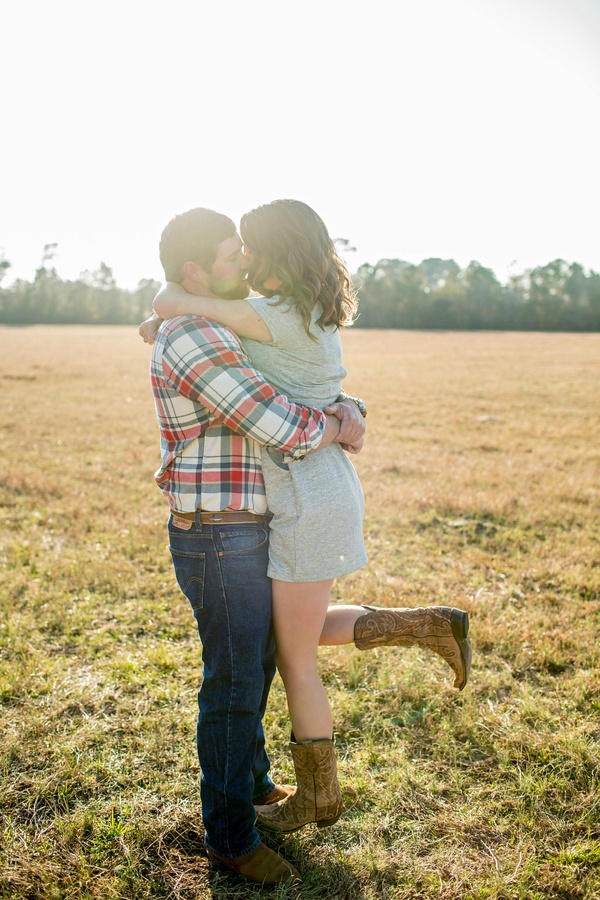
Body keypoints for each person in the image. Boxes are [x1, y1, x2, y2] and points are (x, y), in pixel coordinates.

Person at [145, 200, 472, 842]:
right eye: (232, 253)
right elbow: (291, 378)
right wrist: (346, 413)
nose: (243, 259)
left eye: (249, 249)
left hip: (298, 489)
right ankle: (428, 626)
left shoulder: (256, 316)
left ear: (273, 255)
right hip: (318, 488)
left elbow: (179, 314)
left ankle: (312, 798)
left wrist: (169, 305)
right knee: (280, 634)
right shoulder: (311, 314)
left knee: (290, 657)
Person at [147, 206, 367, 886]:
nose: (243, 261)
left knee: (259, 663)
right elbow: (278, 422)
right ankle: (232, 839)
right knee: (237, 684)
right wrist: (337, 423)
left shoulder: (222, 324)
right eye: (228, 254)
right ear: (194, 273)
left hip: (250, 526)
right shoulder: (194, 336)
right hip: (219, 536)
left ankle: (257, 781)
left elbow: (293, 376)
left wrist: (345, 405)